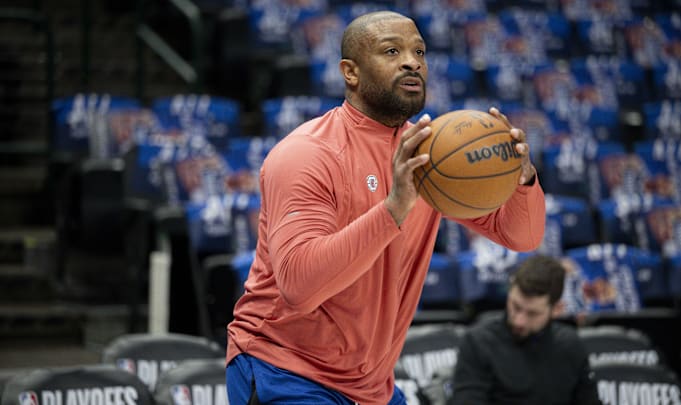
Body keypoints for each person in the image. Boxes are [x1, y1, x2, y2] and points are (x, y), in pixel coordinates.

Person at [225, 10, 546, 405]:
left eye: (419, 51)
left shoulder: (433, 156)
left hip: (371, 384)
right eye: (391, 51)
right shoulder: (307, 154)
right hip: (286, 368)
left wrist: (521, 179)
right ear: (350, 73)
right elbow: (299, 287)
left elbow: (523, 236)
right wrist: (394, 209)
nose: (412, 61)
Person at [448, 255, 601, 405]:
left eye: (532, 313)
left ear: (557, 309)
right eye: (516, 306)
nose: (519, 321)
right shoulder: (478, 343)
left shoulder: (571, 347)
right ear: (509, 292)